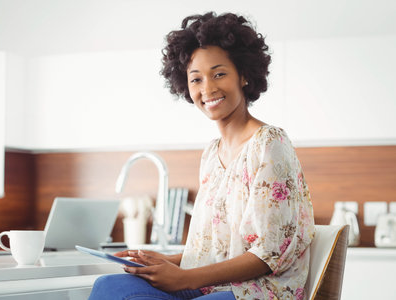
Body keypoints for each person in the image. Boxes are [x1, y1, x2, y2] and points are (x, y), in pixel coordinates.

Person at [89, 12, 315, 300]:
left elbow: (267, 253)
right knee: (109, 286)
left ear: (244, 75)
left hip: (259, 291)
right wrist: (162, 263)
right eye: (196, 79)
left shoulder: (270, 143)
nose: (207, 89)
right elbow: (216, 249)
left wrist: (184, 278)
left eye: (219, 74)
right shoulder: (211, 154)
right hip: (210, 286)